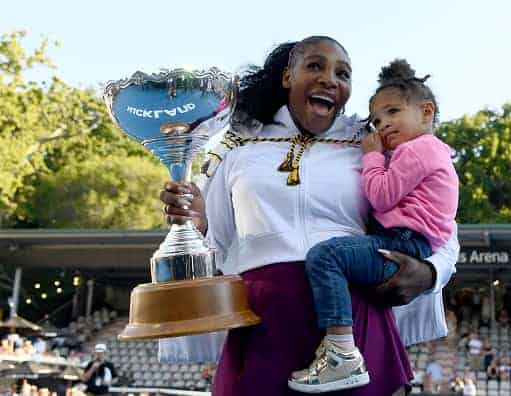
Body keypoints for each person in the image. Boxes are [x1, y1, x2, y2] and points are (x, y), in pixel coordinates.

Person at [159, 35, 459, 396]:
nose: (330, 79)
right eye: (315, 66)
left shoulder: (373, 145)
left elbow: (440, 219)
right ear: (287, 76)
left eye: (343, 74)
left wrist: (430, 272)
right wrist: (195, 222)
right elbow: (216, 240)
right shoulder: (239, 146)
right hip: (261, 320)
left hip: (354, 320)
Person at [286, 58, 458, 392]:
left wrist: (372, 156)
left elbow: (380, 196)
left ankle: (340, 353)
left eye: (393, 113)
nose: (383, 126)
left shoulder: (416, 151)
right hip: (409, 241)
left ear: (426, 113)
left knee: (326, 257)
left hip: (402, 242)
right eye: (377, 119)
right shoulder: (433, 152)